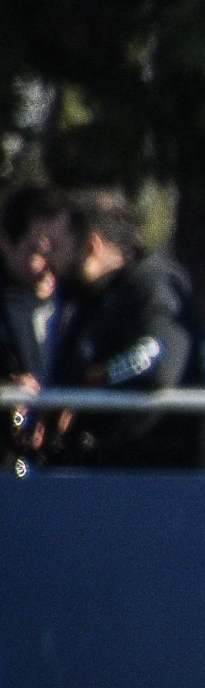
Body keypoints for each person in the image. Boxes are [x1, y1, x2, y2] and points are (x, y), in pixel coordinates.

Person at [37, 189, 203, 469]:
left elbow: (154, 363)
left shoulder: (151, 285)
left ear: (91, 246)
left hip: (143, 485)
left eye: (57, 246)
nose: (47, 260)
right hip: (81, 479)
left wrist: (88, 387)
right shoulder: (84, 302)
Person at [0, 185, 67, 474]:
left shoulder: (77, 304)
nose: (49, 265)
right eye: (38, 250)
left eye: (58, 248)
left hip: (58, 470)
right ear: (6, 243)